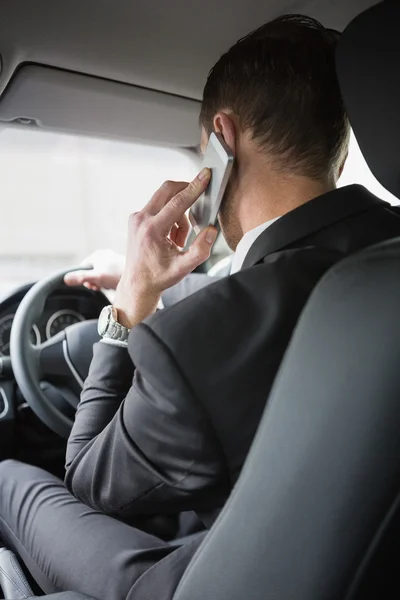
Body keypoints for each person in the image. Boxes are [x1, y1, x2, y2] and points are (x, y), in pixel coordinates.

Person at [2, 13, 400, 600]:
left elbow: (87, 478)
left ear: (223, 136)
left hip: (209, 579)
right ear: (337, 156)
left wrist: (131, 301)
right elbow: (269, 280)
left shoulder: (198, 340)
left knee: (10, 478)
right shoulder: (377, 261)